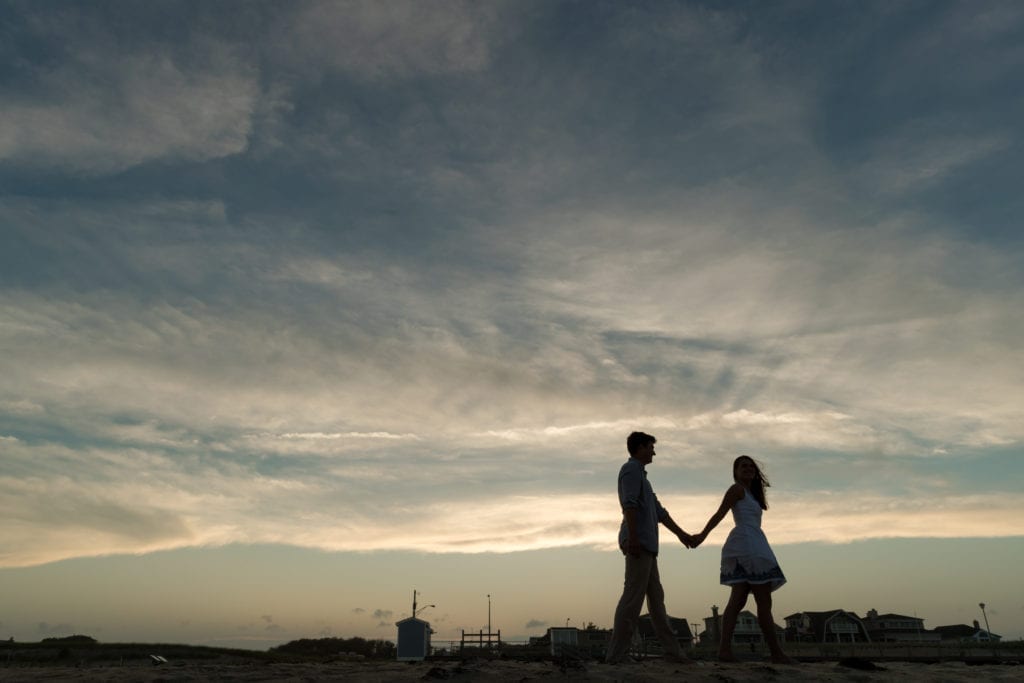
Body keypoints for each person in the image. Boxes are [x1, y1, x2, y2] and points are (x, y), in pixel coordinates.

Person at [691, 455, 796, 664]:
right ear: (736, 471)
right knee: (763, 600)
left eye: (751, 466)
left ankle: (725, 651)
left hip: (751, 541)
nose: (748, 469)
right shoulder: (736, 489)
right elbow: (719, 514)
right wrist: (702, 536)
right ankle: (776, 653)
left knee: (738, 599)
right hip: (748, 544)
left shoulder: (753, 494)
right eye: (743, 466)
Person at [605, 431, 695, 664]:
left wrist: (682, 535)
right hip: (639, 543)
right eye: (650, 447)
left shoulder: (643, 477)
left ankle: (673, 652)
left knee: (657, 600)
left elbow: (660, 512)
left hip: (648, 546)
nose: (653, 452)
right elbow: (629, 505)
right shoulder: (631, 470)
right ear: (639, 448)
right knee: (632, 598)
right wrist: (633, 537)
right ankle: (617, 654)